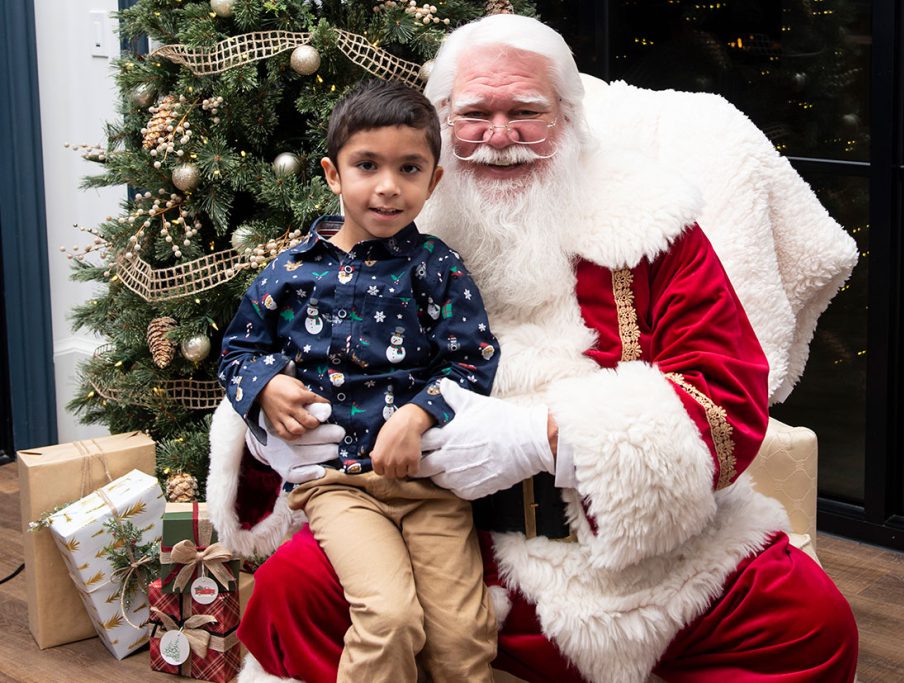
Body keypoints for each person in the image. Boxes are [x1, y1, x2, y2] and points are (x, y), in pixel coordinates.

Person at [207, 14, 860, 683]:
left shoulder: (648, 225)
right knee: (294, 593)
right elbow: (273, 346)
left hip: (627, 552)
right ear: (440, 122)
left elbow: (726, 399)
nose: (498, 138)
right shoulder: (391, 216)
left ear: (570, 120)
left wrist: (543, 435)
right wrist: (264, 426)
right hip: (427, 524)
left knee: (809, 623)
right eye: (474, 115)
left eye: (526, 113)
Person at [216, 79, 500, 682]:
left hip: (431, 485)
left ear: (434, 181)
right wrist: (265, 385)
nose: (388, 186)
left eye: (410, 168)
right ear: (332, 174)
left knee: (462, 636)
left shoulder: (436, 267)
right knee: (390, 617)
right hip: (339, 486)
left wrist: (417, 414)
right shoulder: (290, 272)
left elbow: (473, 359)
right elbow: (238, 349)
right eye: (367, 165)